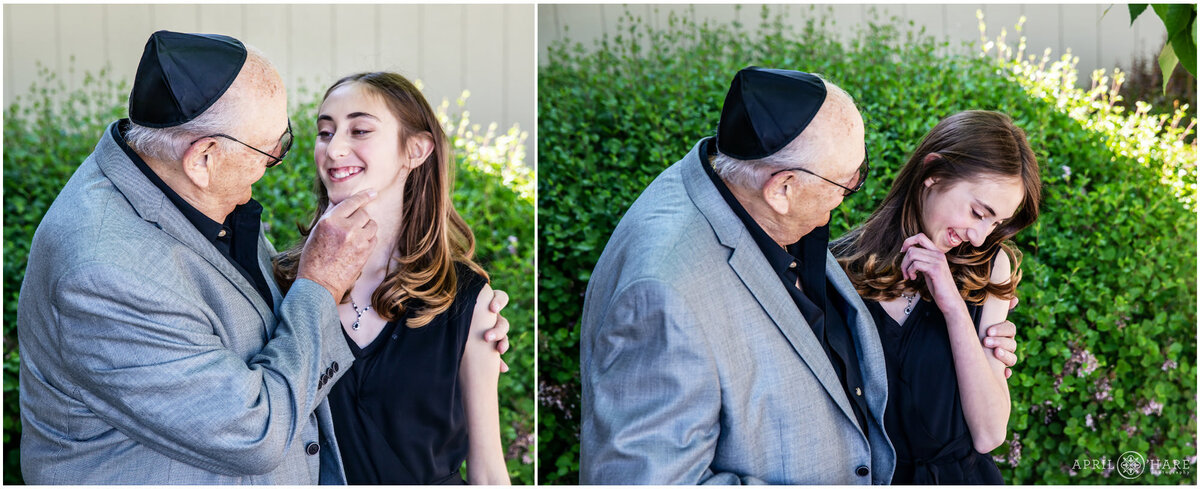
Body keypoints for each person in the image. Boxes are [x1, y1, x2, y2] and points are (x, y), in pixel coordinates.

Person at [16, 31, 509, 484]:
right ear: (203, 159)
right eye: (272, 149)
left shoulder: (201, 203)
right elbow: (258, 431)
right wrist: (318, 286)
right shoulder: (106, 271)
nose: (276, 165)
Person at [579, 67, 1021, 484]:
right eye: (847, 183)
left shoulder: (748, 203)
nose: (847, 198)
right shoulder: (664, 292)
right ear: (782, 189)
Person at [273, 71, 510, 485]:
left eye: (360, 130)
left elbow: (488, 471)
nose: (335, 148)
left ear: (416, 150)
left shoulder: (465, 297)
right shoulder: (284, 283)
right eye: (325, 133)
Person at [830, 110, 1040, 484]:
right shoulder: (836, 270)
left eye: (994, 224)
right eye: (978, 212)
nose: (979, 236)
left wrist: (954, 308)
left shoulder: (988, 268)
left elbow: (990, 434)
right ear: (934, 171)